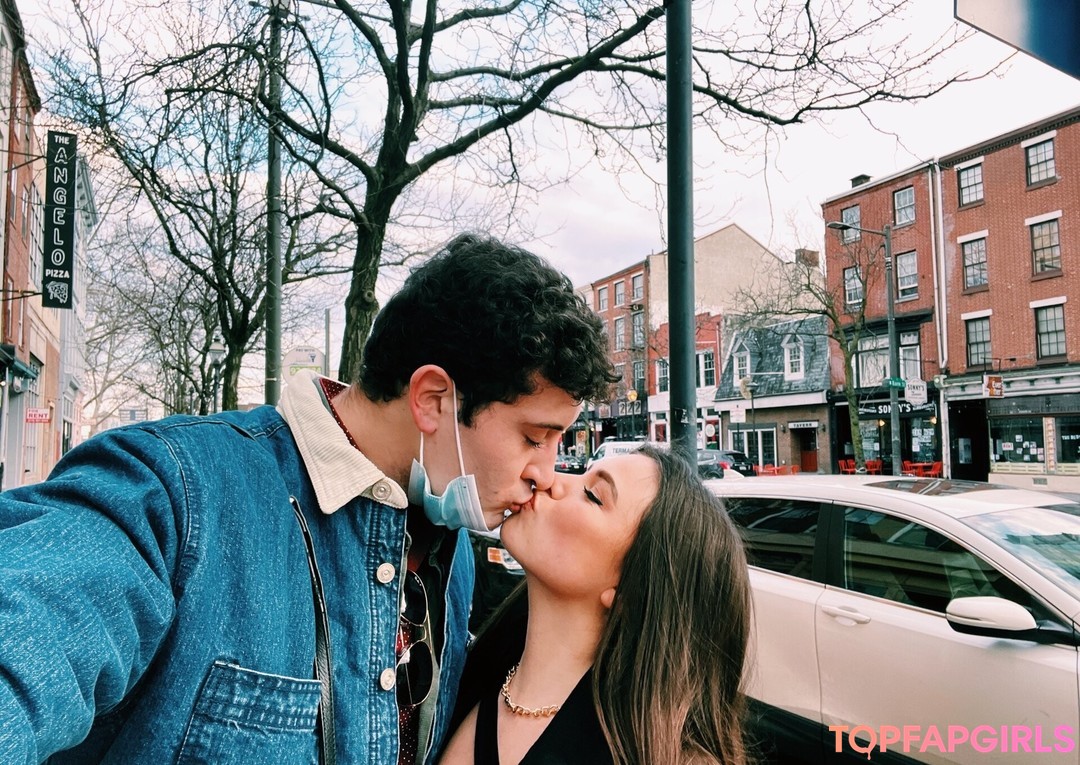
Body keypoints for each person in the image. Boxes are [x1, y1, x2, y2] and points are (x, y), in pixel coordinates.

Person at [0, 234, 616, 764]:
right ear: (432, 399)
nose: (546, 473)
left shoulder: (448, 552)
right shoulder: (173, 493)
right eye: (534, 437)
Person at [439, 446, 752, 765]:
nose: (549, 480)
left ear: (631, 589)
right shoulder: (458, 669)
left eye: (592, 495)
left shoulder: (661, 756)